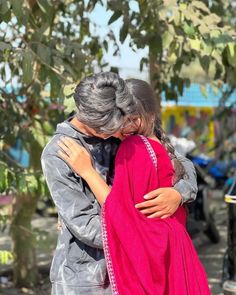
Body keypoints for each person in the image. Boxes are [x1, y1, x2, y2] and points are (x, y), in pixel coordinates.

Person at [41, 72, 198, 295]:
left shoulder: (116, 129)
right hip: (88, 279)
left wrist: (179, 193)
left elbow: (176, 162)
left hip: (133, 272)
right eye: (113, 127)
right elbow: (86, 225)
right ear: (93, 121)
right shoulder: (59, 152)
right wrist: (145, 235)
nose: (121, 131)